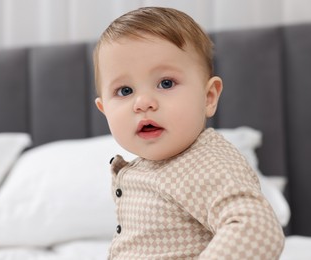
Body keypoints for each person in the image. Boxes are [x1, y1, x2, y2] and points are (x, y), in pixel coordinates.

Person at [93, 6, 285, 259]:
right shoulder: (152, 167)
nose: (143, 102)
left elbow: (257, 229)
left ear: (208, 97)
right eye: (125, 91)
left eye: (166, 83)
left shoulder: (205, 163)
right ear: (104, 109)